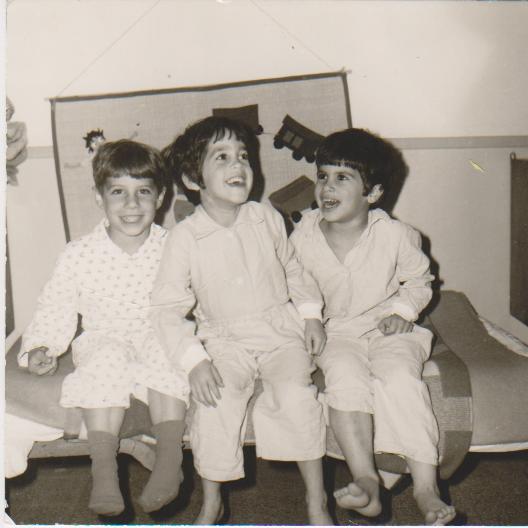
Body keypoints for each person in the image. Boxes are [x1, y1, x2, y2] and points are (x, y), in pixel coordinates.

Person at [151, 116, 332, 525]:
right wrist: (195, 361)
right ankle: (212, 500)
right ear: (193, 179)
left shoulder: (265, 217)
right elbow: (166, 308)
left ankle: (316, 499)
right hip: (224, 339)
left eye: (244, 156)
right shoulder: (185, 237)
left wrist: (310, 316)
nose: (238, 165)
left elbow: (293, 269)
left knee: (296, 395)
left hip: (279, 332)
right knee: (215, 400)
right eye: (222, 157)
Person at [291, 128, 456, 526]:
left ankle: (425, 486)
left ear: (374, 193)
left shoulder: (396, 235)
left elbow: (420, 280)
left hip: (390, 328)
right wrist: (311, 317)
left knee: (399, 377)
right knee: (344, 378)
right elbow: (297, 280)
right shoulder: (304, 234)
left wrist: (403, 310)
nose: (327, 187)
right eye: (323, 176)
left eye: (342, 178)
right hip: (337, 331)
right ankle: (366, 478)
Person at [18, 139, 189, 516]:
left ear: (160, 197)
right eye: (118, 192)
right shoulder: (79, 254)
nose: (132, 204)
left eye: (143, 192)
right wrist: (41, 346)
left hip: (159, 330)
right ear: (99, 197)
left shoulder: (175, 247)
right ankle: (104, 470)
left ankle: (169, 460)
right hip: (105, 334)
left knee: (170, 357)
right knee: (102, 362)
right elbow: (56, 304)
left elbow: (195, 296)